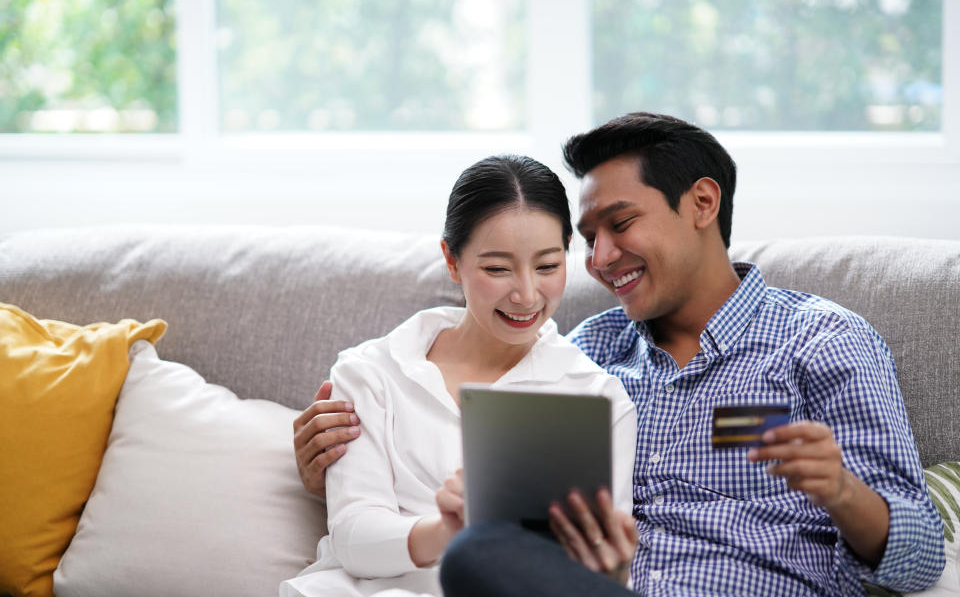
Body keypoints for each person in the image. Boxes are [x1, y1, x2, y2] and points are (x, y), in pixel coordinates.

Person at [297, 113, 945, 596]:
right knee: (481, 554)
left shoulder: (823, 342)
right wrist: (323, 470)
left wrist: (840, 490)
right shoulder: (589, 353)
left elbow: (921, 561)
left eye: (621, 224)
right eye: (588, 237)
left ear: (702, 203)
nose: (599, 259)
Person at [282, 154, 638, 597]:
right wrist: (447, 532)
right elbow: (354, 536)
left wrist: (612, 567)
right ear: (452, 261)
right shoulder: (372, 373)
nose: (527, 294)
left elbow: (595, 562)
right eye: (497, 268)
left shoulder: (597, 399)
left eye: (547, 266)